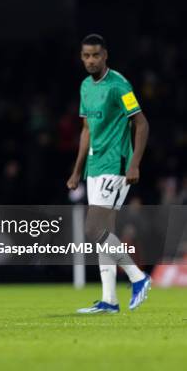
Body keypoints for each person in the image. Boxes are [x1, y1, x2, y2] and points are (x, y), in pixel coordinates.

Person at [67, 34, 151, 314]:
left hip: (116, 164)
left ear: (105, 56)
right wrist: (77, 170)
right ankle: (109, 300)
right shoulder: (84, 87)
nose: (90, 60)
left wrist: (135, 163)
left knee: (94, 229)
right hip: (94, 165)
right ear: (81, 57)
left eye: (96, 55)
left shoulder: (119, 85)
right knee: (105, 232)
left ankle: (138, 277)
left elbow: (141, 123)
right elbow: (87, 130)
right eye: (86, 56)